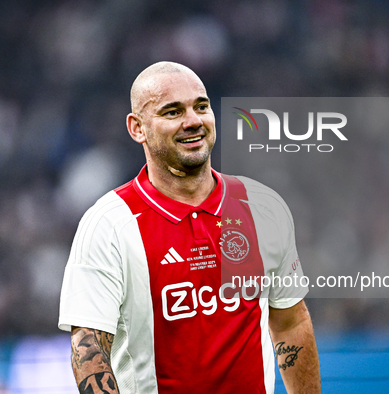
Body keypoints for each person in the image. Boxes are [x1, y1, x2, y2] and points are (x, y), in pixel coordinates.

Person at [58, 61, 321, 394]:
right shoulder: (109, 224)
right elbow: (90, 350)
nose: (193, 121)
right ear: (137, 128)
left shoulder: (262, 207)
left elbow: (290, 322)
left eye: (201, 106)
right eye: (172, 112)